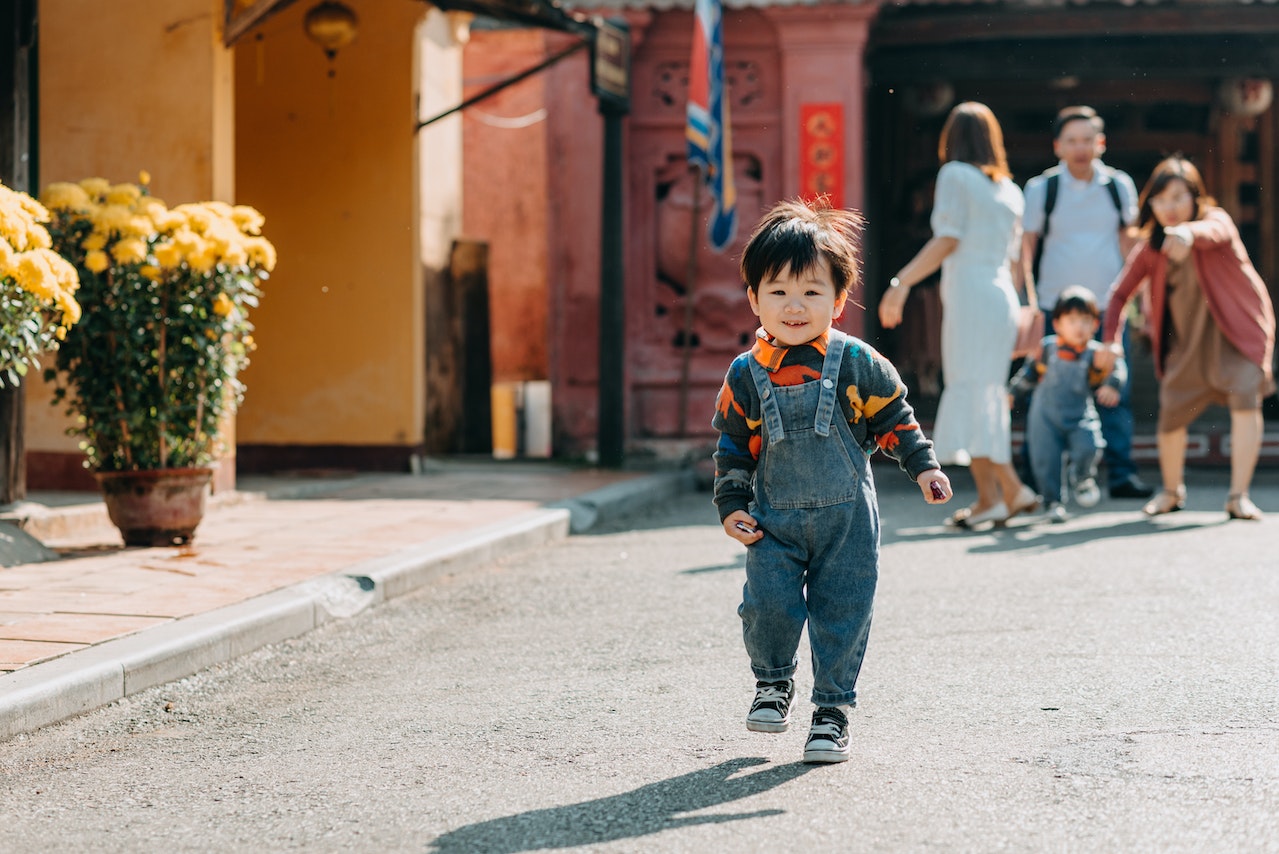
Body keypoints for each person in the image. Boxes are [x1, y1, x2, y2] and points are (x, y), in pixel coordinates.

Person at [712, 198, 952, 764]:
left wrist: (924, 466)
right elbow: (732, 447)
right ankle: (773, 682)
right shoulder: (745, 375)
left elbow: (895, 419)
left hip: (847, 524)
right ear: (754, 298)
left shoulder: (857, 362)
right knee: (767, 605)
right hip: (772, 521)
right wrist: (730, 506)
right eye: (778, 292)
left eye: (812, 293)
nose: (794, 307)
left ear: (839, 301)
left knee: (842, 609)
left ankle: (831, 711)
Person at [879, 101, 1037, 528]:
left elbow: (947, 238)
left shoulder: (954, 175)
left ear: (952, 139)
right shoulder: (1010, 189)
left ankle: (1006, 492)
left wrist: (902, 282)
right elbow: (1019, 262)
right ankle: (998, 496)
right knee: (985, 392)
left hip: (970, 292)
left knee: (970, 389)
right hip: (1001, 293)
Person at [1097, 156, 1276, 520]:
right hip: (1186, 348)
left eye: (1179, 197)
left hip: (1235, 340)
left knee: (1246, 405)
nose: (1170, 207)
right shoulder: (1151, 248)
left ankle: (1238, 495)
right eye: (1161, 200)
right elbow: (1118, 295)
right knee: (1171, 418)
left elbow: (1213, 231)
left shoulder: (1217, 221)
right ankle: (1171, 491)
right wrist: (1111, 341)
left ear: (1196, 197)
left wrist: (1188, 233)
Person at [1018, 106, 1153, 500]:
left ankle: (1121, 474)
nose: (1080, 148)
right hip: (1053, 309)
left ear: (1101, 143)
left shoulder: (1118, 185)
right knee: (1045, 391)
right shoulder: (1042, 188)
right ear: (1057, 146)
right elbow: (1027, 247)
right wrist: (1025, 298)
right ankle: (1037, 477)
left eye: (1087, 139)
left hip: (1108, 310)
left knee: (1114, 390)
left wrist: (1140, 300)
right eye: (1071, 140)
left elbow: (1130, 242)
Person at [1009, 286, 1127, 523]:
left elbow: (1118, 367)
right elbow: (1028, 374)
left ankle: (1082, 475)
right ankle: (1052, 502)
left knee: (1090, 445)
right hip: (1044, 416)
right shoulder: (1046, 348)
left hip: (1080, 413)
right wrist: (1012, 394)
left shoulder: (1095, 353)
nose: (1079, 327)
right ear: (1058, 323)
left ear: (1095, 325)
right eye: (1071, 320)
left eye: (1086, 320)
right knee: (1045, 459)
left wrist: (1112, 385)